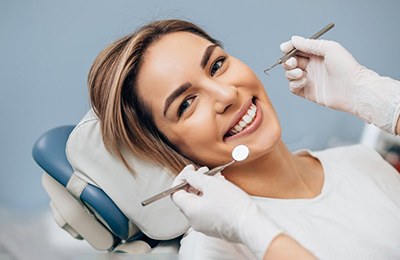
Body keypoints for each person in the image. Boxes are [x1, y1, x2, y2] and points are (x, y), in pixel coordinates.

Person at [87, 19, 400, 259]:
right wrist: (251, 228)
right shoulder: (215, 249)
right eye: (186, 103)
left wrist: (386, 104)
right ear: (166, 147)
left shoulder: (360, 160)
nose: (225, 95)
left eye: (217, 65)